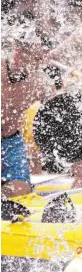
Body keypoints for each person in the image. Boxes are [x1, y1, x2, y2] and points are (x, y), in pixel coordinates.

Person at [1, 23, 55, 198]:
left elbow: (69, 119)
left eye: (26, 55)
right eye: (17, 51)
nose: (18, 58)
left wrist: (79, 174)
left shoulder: (41, 84)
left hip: (12, 142)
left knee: (20, 193)